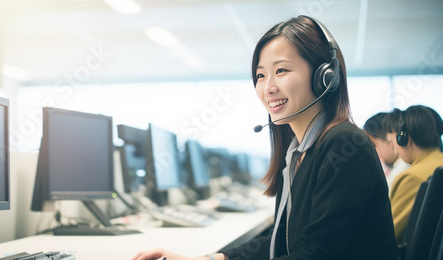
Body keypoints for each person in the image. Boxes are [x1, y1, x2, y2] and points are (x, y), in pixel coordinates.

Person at [131, 16, 399, 260]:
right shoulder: (296, 154)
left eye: (281, 71)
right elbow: (282, 242)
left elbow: (315, 255)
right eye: (260, 75)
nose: (268, 87)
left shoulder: (343, 144)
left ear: (324, 76)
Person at [386, 105, 443, 243]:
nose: (395, 151)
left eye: (393, 142)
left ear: (404, 138)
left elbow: (387, 235)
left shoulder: (411, 177)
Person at [363, 111, 410, 189]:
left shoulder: (401, 171)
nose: (371, 153)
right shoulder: (396, 168)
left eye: (374, 146)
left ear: (391, 140)